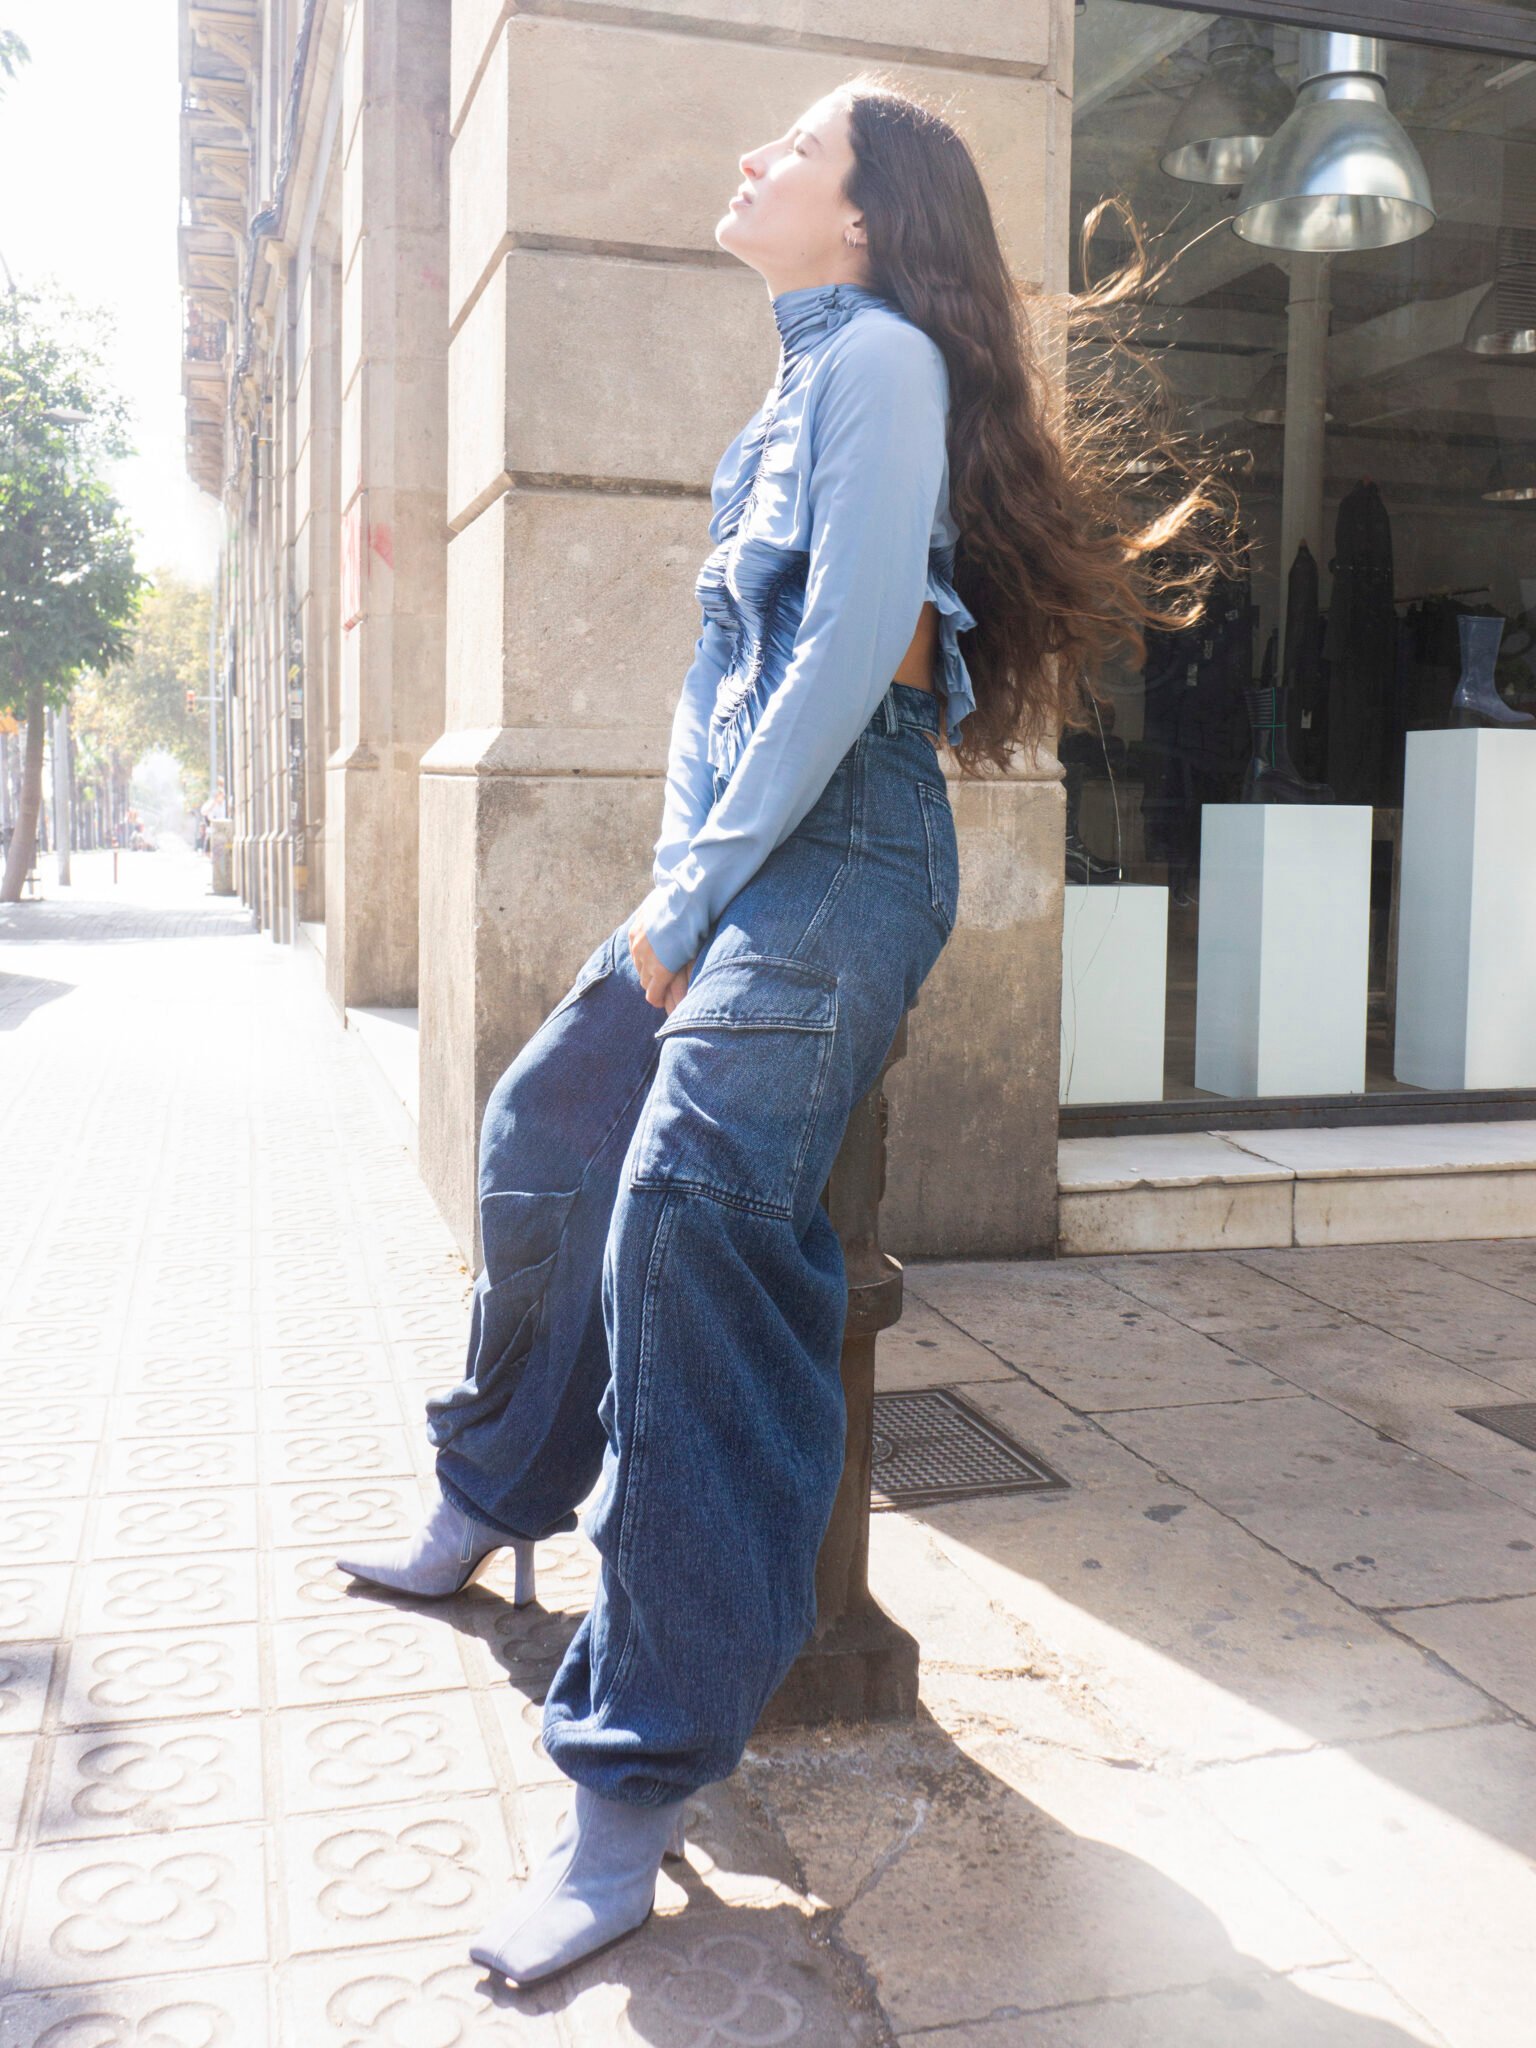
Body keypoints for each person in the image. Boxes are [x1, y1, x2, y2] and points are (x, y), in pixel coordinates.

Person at [337, 74, 1221, 1987]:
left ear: (869, 216)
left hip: (843, 861)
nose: (745, 158)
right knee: (542, 1129)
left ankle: (628, 1798)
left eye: (791, 152)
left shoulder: (886, 357)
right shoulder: (798, 386)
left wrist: (696, 896)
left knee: (686, 1220)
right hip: (751, 854)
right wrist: (675, 884)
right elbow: (721, 690)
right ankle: (489, 1494)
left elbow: (837, 665)